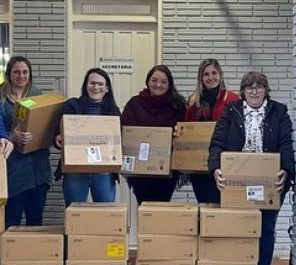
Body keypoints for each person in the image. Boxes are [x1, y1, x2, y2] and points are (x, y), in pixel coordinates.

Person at [208, 71, 294, 265]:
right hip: (237, 182)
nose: (254, 91)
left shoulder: (279, 112)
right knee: (238, 229)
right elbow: (217, 143)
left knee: (265, 230)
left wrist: (286, 170)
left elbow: (286, 144)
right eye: (249, 87)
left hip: (269, 183)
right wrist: (215, 167)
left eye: (259, 86)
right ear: (243, 91)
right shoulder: (232, 111)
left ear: (266, 90)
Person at [55, 68, 121, 206]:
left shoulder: (113, 111)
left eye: (100, 84)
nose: (96, 87)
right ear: (86, 86)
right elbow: (57, 133)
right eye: (92, 83)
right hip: (76, 170)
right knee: (75, 214)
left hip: (103, 171)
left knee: (106, 215)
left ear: (107, 88)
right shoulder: (72, 106)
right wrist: (58, 139)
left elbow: (119, 140)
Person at [121, 65, 186, 204]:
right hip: (140, 170)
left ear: (169, 84)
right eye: (154, 80)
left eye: (163, 82)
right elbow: (123, 130)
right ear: (148, 81)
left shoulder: (177, 105)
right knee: (143, 206)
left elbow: (185, 132)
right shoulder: (134, 104)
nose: (158, 84)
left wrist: (178, 135)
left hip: (166, 169)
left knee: (161, 208)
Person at [0, 56, 49, 228]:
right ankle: (9, 255)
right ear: (9, 74)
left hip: (37, 168)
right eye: (16, 72)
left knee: (35, 220)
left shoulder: (38, 96)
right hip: (12, 168)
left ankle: (32, 254)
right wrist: (11, 138)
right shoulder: (1, 98)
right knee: (11, 220)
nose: (21, 76)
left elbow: (46, 127)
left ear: (30, 74)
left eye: (25, 72)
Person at [184, 59, 239, 203]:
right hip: (198, 165)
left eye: (214, 73)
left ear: (220, 75)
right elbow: (187, 127)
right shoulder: (193, 100)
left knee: (222, 206)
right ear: (201, 78)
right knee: (204, 205)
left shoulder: (233, 99)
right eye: (206, 74)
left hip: (223, 163)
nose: (210, 77)